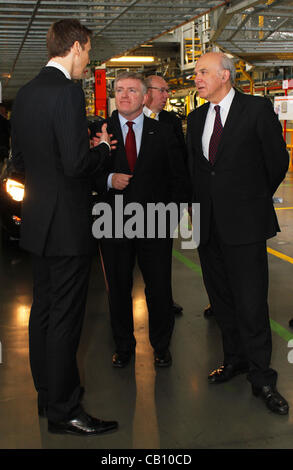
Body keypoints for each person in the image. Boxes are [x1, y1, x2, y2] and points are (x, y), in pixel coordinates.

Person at [11, 19, 118, 436]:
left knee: (44, 312)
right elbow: (77, 164)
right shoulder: (68, 92)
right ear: (76, 46)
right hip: (68, 226)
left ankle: (47, 394)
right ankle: (65, 410)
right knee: (66, 320)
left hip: (38, 223)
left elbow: (20, 161)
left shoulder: (27, 94)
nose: (88, 61)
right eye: (88, 52)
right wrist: (104, 150)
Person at [187, 51, 289, 415]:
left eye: (202, 72)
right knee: (223, 300)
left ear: (225, 75)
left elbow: (278, 160)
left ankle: (262, 376)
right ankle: (235, 360)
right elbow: (196, 169)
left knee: (251, 303)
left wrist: (251, 199)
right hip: (207, 225)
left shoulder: (256, 110)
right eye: (196, 73)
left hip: (244, 225)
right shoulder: (196, 117)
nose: (196, 78)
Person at [94, 72, 190, 369]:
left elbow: (179, 178)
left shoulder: (161, 132)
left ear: (144, 95)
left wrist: (171, 217)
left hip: (155, 223)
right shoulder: (100, 131)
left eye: (132, 90)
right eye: (119, 90)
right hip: (112, 222)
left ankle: (161, 346)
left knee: (159, 288)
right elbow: (81, 173)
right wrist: (109, 179)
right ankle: (123, 347)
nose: (124, 95)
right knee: (118, 289)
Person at [144, 74, 187, 317]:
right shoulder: (132, 119)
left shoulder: (170, 121)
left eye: (167, 90)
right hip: (134, 207)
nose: (166, 95)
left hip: (165, 205)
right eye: (162, 90)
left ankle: (164, 302)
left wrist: (181, 201)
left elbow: (180, 162)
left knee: (162, 259)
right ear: (147, 93)